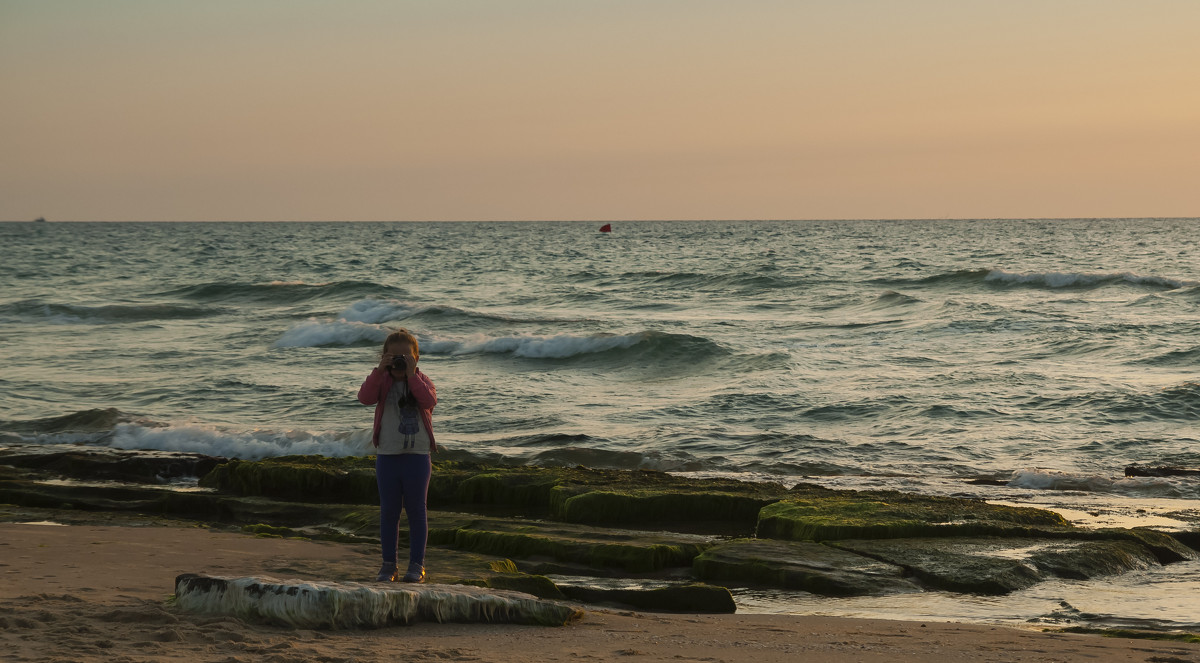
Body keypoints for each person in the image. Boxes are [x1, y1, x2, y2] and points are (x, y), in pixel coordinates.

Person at [357, 328, 438, 583]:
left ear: (416, 358)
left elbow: (427, 401)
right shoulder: (382, 382)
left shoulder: (423, 381)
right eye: (394, 357)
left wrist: (412, 375)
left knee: (416, 511)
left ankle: (417, 566)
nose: (400, 361)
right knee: (389, 511)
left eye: (406, 357)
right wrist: (379, 371)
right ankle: (388, 565)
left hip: (417, 455)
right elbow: (364, 398)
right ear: (384, 357)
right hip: (388, 455)